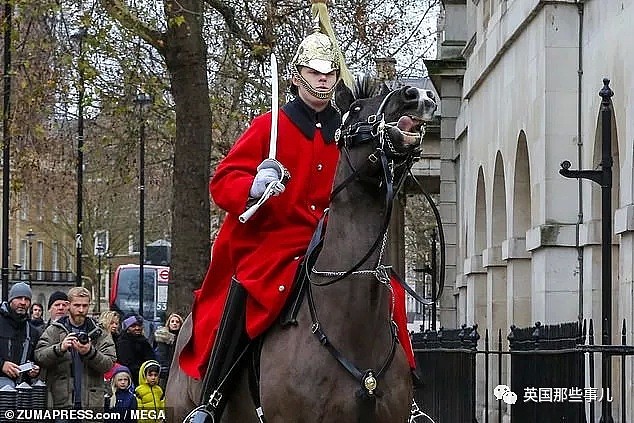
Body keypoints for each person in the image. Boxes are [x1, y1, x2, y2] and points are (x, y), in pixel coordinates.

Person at [176, 1, 421, 420]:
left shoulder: (347, 130)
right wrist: (254, 184)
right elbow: (222, 183)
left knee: (388, 289)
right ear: (297, 76)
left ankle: (408, 400)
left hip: (329, 237)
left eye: (328, 73)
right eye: (314, 73)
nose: (323, 81)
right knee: (250, 286)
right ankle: (213, 395)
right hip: (276, 239)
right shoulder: (269, 126)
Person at [34, 286, 116, 409]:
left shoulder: (99, 332)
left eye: (85, 306)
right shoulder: (54, 330)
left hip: (91, 403)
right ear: (68, 305)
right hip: (60, 401)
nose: (81, 310)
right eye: (77, 305)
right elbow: (39, 356)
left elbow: (109, 364)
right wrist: (60, 348)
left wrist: (90, 352)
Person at [0, 282, 40, 388]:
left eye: (27, 299)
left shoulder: (32, 332)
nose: (23, 302)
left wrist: (33, 370)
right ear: (10, 300)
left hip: (20, 390)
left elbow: (34, 359)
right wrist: (2, 365)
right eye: (19, 298)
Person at [116, 315, 156, 387]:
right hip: (132, 380)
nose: (137, 328)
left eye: (139, 325)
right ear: (127, 328)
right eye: (133, 326)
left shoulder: (143, 341)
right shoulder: (123, 342)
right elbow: (128, 363)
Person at [153, 313, 183, 389]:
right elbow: (160, 356)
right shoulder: (162, 338)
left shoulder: (183, 338)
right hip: (165, 371)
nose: (174, 324)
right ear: (168, 323)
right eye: (172, 321)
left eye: (177, 322)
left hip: (179, 371)